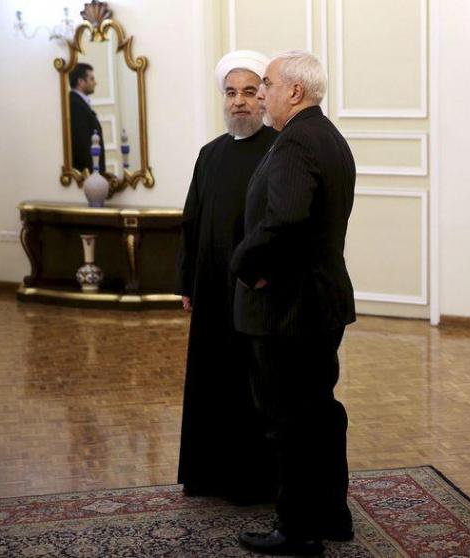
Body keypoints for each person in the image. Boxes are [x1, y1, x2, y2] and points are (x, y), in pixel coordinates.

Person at [231, 50, 356, 556]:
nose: (261, 93)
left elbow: (284, 219)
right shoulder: (327, 136)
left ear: (295, 91)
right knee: (320, 413)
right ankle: (332, 515)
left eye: (267, 84)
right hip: (319, 302)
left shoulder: (296, 142)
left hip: (289, 308)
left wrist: (244, 263)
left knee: (291, 421)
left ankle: (299, 529)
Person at [175, 50, 279, 503]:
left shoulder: (279, 149)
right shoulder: (209, 154)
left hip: (256, 291)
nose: (239, 101)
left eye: (249, 92)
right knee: (211, 381)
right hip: (211, 289)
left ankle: (253, 482)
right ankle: (208, 476)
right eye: (231, 92)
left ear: (264, 98)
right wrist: (186, 283)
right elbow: (191, 221)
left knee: (252, 385)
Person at [69, 63, 106, 173]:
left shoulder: (79, 102)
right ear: (81, 82)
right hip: (87, 174)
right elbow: (82, 145)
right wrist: (92, 174)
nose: (95, 83)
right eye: (91, 79)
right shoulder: (75, 104)